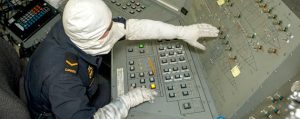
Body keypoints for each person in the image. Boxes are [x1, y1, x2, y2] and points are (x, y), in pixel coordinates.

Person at [24, 0, 219, 118]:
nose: (114, 30)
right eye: (107, 30)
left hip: (81, 87)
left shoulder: (73, 27)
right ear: (93, 38)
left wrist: (181, 31)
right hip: (55, 112)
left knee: (108, 88)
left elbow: (131, 27)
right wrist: (125, 102)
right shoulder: (62, 80)